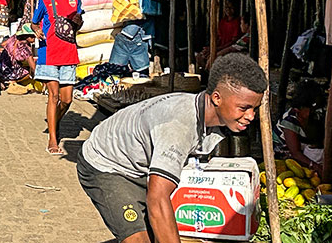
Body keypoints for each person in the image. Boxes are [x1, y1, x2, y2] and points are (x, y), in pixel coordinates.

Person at [78, 53, 267, 243]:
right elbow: (158, 199)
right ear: (217, 98)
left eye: (254, 108)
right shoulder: (179, 126)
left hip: (142, 165)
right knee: (139, 238)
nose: (251, 116)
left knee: (166, 230)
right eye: (244, 108)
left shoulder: (214, 120)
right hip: (106, 166)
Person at [32, 0, 82, 154]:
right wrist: (37, 31)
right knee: (53, 96)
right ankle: (53, 140)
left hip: (69, 52)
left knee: (67, 99)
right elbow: (35, 22)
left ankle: (53, 122)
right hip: (49, 53)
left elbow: (78, 19)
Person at [274, 80, 326, 172]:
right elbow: (295, 153)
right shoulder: (290, 120)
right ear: (300, 108)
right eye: (312, 107)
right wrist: (316, 167)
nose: (314, 111)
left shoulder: (315, 117)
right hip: (285, 156)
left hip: (304, 153)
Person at [0, 24, 38, 93]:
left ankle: (2, 80)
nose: (34, 38)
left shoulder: (14, 37)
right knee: (29, 71)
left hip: (0, 68)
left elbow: (3, 44)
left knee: (9, 61)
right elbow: (33, 67)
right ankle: (13, 81)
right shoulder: (25, 48)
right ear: (26, 36)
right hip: (11, 72)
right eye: (32, 36)